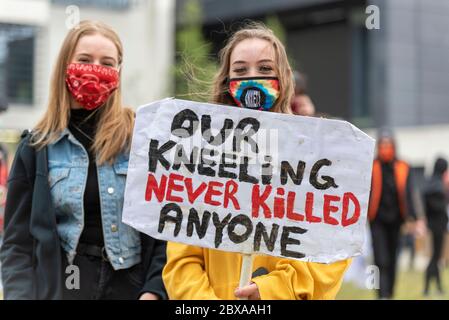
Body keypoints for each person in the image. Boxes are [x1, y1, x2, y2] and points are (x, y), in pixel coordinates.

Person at [162, 23, 351, 300]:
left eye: (264, 69)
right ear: (227, 80)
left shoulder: (315, 156)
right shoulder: (200, 158)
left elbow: (332, 257)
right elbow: (181, 261)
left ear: (284, 77)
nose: (252, 78)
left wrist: (272, 290)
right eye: (240, 70)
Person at [0, 20, 166, 300]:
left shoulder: (141, 138)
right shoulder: (37, 147)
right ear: (66, 65)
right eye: (85, 60)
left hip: (129, 286)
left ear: (118, 72)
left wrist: (155, 291)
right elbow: (17, 244)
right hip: (64, 285)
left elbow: (163, 226)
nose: (96, 69)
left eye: (107, 63)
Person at [368, 129, 417, 299]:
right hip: (376, 220)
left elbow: (409, 193)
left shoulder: (403, 166)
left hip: (397, 220)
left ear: (394, 147)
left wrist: (413, 217)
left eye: (388, 145)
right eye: (382, 145)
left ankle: (389, 293)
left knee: (393, 258)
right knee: (379, 259)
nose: (385, 149)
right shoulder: (371, 166)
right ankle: (379, 293)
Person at [423, 157, 449, 296]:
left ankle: (438, 287)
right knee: (435, 257)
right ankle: (427, 287)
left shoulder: (431, 183)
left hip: (432, 225)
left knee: (436, 257)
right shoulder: (438, 186)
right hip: (437, 226)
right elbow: (439, 208)